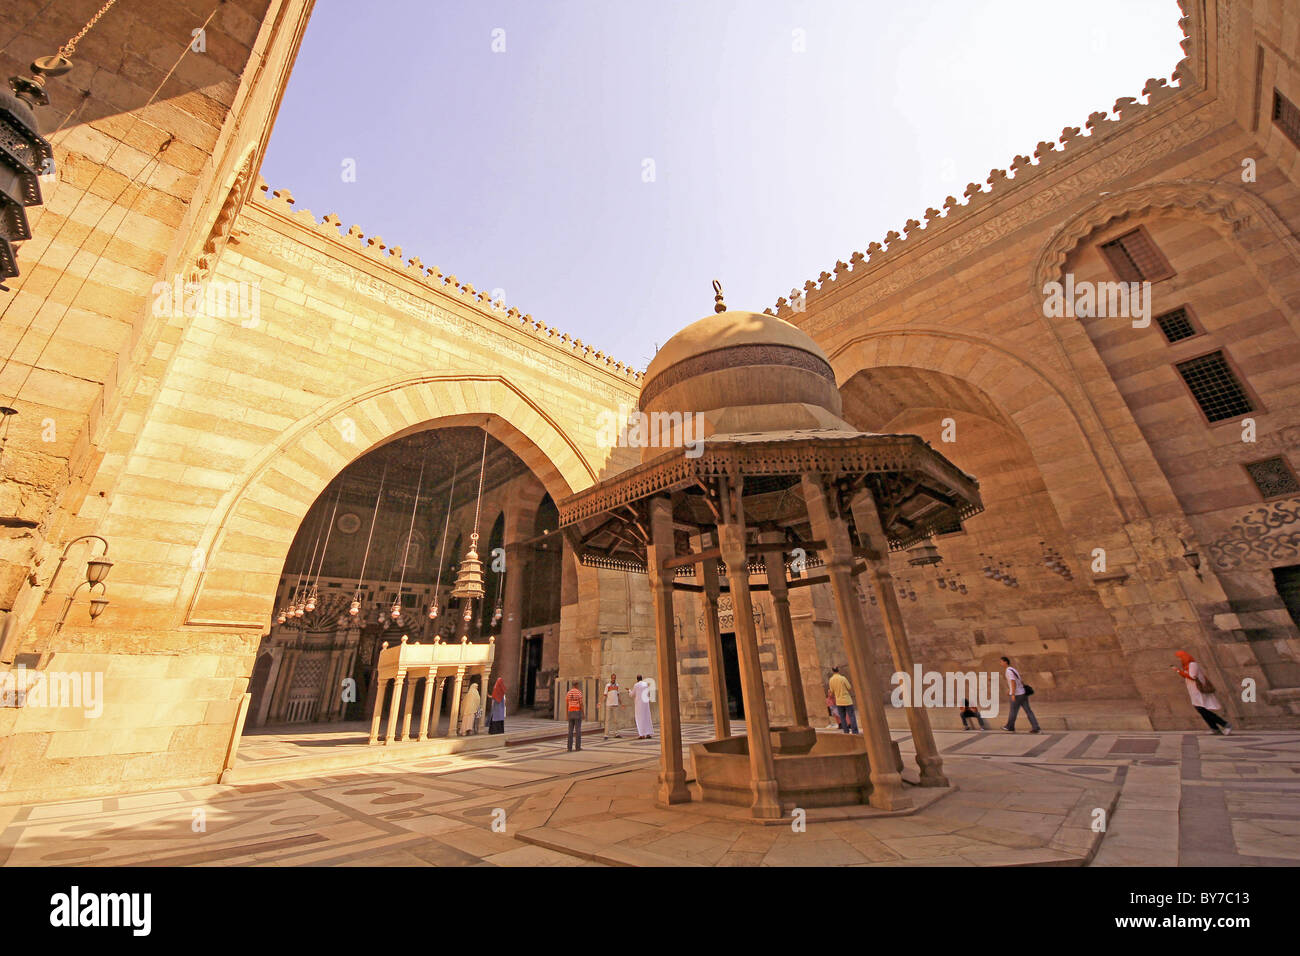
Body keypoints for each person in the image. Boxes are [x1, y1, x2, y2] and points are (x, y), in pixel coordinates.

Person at [1174, 650, 1231, 735]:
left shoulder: (1192, 664)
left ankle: (1225, 724)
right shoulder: (1186, 666)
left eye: (1180, 657)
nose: (1179, 659)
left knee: (1202, 709)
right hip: (1193, 690)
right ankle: (1214, 728)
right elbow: (1186, 676)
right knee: (1200, 709)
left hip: (1198, 690)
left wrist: (1179, 671)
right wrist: (1178, 671)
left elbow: (1192, 676)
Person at [1001, 656, 1040, 733]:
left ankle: (1009, 726)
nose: (1000, 663)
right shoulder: (1013, 669)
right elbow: (1020, 681)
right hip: (1022, 693)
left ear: (1005, 662)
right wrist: (1011, 689)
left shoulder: (1008, 671)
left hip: (1017, 694)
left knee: (1013, 711)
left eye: (1001, 662)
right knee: (1028, 711)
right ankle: (1035, 726)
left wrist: (1012, 694)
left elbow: (1013, 682)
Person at [828, 666, 858, 734]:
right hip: (847, 700)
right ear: (838, 670)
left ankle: (846, 731)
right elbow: (849, 687)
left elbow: (831, 691)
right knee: (851, 716)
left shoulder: (831, 680)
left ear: (832, 671)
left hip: (839, 701)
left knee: (842, 717)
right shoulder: (842, 678)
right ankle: (855, 731)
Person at [631, 674, 653, 739]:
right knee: (647, 717)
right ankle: (648, 733)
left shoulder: (636, 685)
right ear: (642, 678)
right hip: (645, 703)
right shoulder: (645, 684)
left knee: (639, 718)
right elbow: (648, 693)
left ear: (637, 679)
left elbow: (632, 694)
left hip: (639, 704)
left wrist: (629, 691)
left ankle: (642, 734)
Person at [565, 681, 585, 751]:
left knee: (570, 730)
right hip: (577, 712)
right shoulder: (579, 692)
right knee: (578, 730)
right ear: (576, 685)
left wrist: (567, 715)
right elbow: (581, 704)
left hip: (570, 711)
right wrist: (583, 713)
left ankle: (569, 747)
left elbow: (567, 704)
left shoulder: (569, 692)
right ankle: (577, 747)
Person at [603, 674, 623, 738]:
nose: (614, 679)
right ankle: (606, 734)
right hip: (608, 704)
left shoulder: (617, 685)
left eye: (615, 678)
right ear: (611, 678)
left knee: (616, 720)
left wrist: (621, 703)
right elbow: (605, 695)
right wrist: (601, 702)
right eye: (613, 678)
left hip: (615, 704)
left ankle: (616, 733)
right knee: (607, 720)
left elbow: (618, 695)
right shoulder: (607, 685)